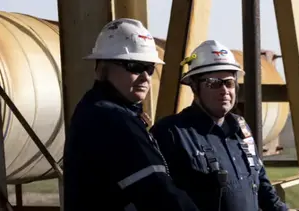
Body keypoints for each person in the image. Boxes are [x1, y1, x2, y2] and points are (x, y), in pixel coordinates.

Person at [62, 18, 200, 211]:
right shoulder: (112, 119)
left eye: (150, 68)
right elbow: (158, 194)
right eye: (134, 66)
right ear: (103, 68)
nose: (145, 77)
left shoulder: (96, 109)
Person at [150, 40, 289, 211]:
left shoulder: (241, 129)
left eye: (229, 82)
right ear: (194, 86)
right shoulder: (171, 133)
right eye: (214, 83)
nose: (224, 90)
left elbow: (262, 187)